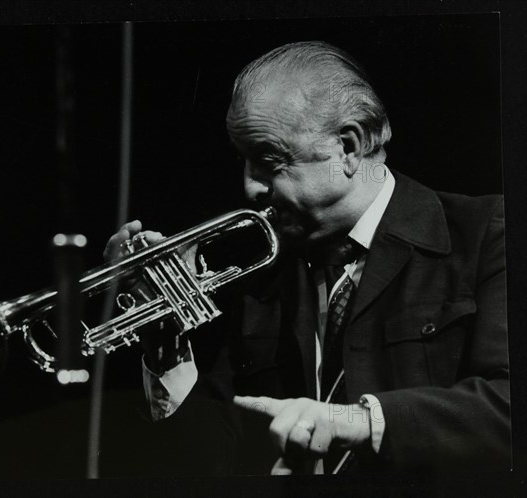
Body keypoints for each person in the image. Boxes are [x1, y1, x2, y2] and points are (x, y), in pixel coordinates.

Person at [104, 41, 510, 475]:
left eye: (268, 160)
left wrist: (356, 420)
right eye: (244, 161)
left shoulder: (488, 233)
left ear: (348, 149)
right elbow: (213, 463)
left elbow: (510, 407)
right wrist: (164, 341)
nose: (251, 189)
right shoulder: (260, 275)